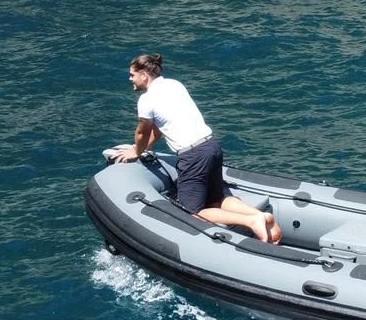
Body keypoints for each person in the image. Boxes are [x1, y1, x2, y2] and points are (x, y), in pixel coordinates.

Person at [106, 53, 281, 244]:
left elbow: (142, 132)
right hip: (211, 146)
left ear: (144, 75)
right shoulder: (174, 85)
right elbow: (159, 129)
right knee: (216, 199)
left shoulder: (146, 100)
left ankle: (252, 220)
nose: (130, 79)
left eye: (132, 75)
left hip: (193, 155)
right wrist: (144, 148)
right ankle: (262, 216)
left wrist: (136, 152)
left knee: (192, 212)